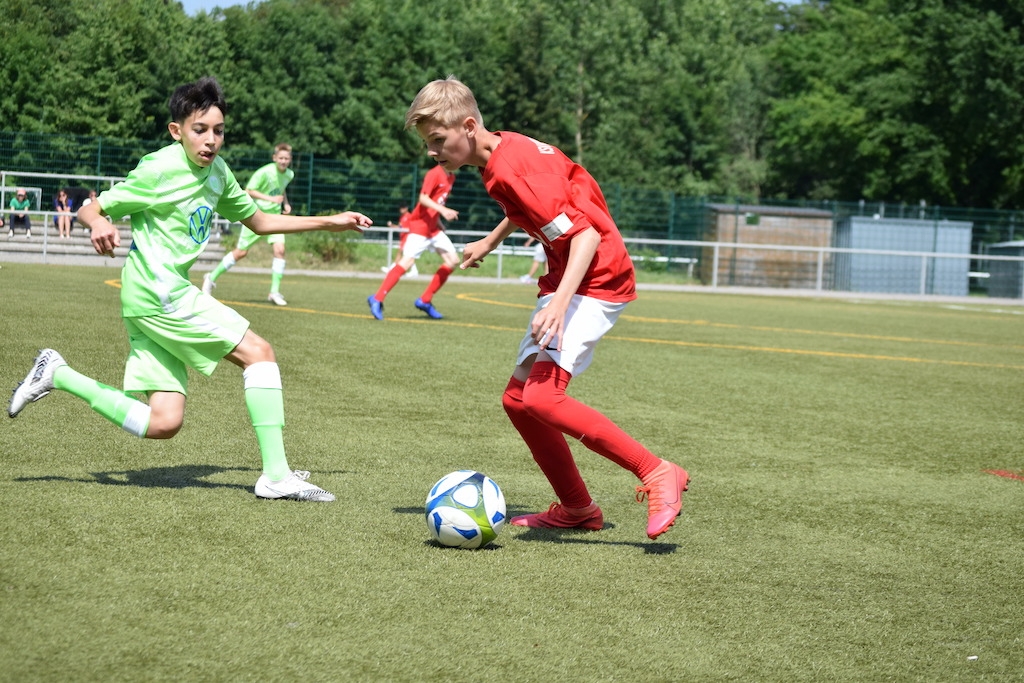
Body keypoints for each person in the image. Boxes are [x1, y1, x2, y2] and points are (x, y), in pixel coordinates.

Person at [8, 77, 372, 502]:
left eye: (218, 131)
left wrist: (332, 221)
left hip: (147, 299)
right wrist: (100, 222)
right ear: (176, 131)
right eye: (200, 130)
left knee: (163, 423)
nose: (211, 140)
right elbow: (93, 206)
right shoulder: (159, 168)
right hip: (159, 293)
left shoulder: (218, 173)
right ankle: (276, 475)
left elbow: (259, 222)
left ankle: (58, 373)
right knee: (259, 352)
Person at [405, 76, 689, 540]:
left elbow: (586, 234)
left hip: (594, 279)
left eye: (438, 140)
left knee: (541, 397)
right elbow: (535, 204)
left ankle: (657, 472)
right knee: (517, 402)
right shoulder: (503, 152)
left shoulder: (510, 168)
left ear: (469, 126)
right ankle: (578, 508)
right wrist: (493, 240)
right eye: (428, 144)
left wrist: (559, 304)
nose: (433, 152)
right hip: (567, 275)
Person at [203, 143, 295, 305]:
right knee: (241, 253)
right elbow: (249, 190)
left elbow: (281, 189)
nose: (283, 161)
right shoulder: (264, 172)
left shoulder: (289, 174)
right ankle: (211, 277)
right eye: (280, 158)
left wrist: (285, 203)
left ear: (290, 160)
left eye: (286, 158)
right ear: (274, 158)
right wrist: (271, 199)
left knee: (280, 250)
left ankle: (274, 292)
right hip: (257, 216)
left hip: (274, 217)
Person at [367, 163, 459, 320]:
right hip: (420, 226)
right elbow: (423, 198)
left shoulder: (451, 177)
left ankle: (424, 300)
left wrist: (439, 222)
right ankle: (377, 298)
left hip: (433, 228)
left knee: (453, 260)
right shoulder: (434, 173)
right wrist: (443, 211)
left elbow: (436, 202)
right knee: (406, 262)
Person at [380, 204, 418, 278]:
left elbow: (408, 227)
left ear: (406, 208)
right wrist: (392, 226)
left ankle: (391, 269)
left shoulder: (409, 216)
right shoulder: (402, 217)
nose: (401, 209)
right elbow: (400, 227)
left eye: (403, 207)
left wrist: (392, 225)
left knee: (400, 253)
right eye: (400, 207)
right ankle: (414, 271)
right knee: (407, 255)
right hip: (403, 238)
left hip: (407, 238)